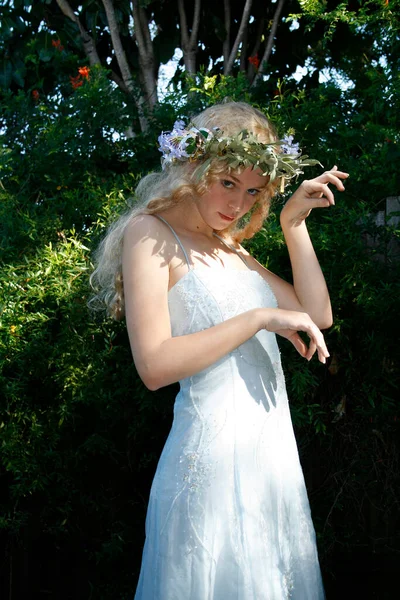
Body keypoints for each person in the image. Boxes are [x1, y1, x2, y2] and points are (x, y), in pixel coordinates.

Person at [90, 101, 348, 599]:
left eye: (253, 191)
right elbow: (154, 365)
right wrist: (257, 318)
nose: (238, 203)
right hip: (208, 472)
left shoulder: (231, 247)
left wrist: (294, 225)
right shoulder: (151, 232)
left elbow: (317, 317)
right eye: (228, 182)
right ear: (195, 165)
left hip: (270, 466)